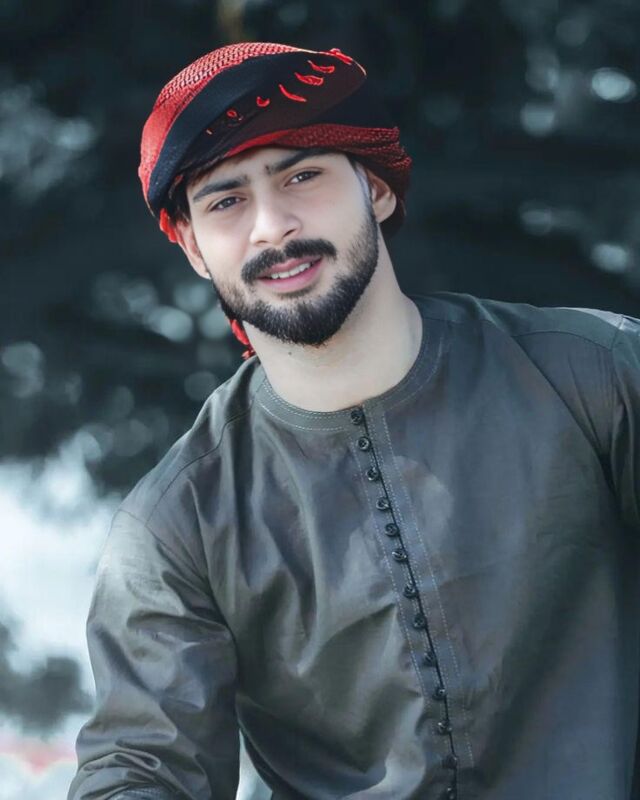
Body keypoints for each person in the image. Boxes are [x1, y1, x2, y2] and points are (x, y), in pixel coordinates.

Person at [68, 42, 640, 800]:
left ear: (375, 189)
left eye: (301, 176)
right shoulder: (179, 523)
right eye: (226, 201)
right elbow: (139, 767)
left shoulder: (596, 373)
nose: (272, 226)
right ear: (194, 248)